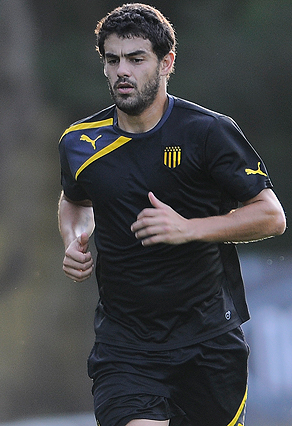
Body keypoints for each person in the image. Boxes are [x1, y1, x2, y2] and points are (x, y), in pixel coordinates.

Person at [58, 4, 286, 426]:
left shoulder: (208, 132)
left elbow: (271, 216)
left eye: (136, 59)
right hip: (125, 345)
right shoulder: (79, 141)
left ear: (167, 63)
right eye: (112, 60)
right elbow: (74, 198)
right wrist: (74, 238)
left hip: (208, 340)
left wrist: (188, 229)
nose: (122, 71)